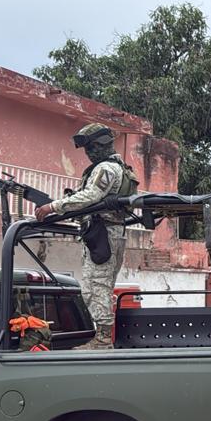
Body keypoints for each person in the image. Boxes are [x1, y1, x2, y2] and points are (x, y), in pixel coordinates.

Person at [35, 122, 139, 349]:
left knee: (96, 287)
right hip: (109, 232)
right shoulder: (119, 167)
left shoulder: (106, 169)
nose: (89, 153)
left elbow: (91, 196)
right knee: (99, 286)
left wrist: (53, 207)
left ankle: (102, 341)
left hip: (103, 234)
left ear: (102, 145)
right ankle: (100, 337)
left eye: (91, 148)